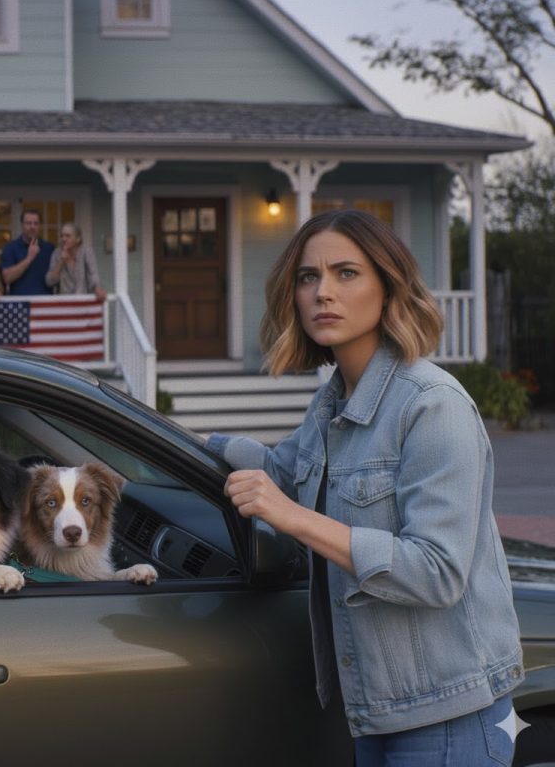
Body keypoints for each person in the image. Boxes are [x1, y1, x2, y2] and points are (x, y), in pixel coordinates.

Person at [208, 209, 524, 766]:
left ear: (388, 287)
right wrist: (153, 440)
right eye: (309, 277)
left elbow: (438, 571)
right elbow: (278, 470)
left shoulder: (432, 405)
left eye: (346, 273)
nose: (322, 292)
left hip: (448, 714)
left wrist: (293, 517)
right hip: (376, 710)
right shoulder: (333, 403)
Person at [45, 222, 107, 301]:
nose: (63, 239)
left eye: (68, 236)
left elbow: (93, 275)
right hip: (63, 303)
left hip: (83, 301)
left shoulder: (86, 252)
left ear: (78, 239)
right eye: (62, 236)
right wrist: (61, 261)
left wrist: (98, 288)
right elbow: (49, 282)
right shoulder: (57, 253)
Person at [0, 209, 55, 296]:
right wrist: (29, 258)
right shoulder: (10, 248)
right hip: (20, 304)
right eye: (28, 223)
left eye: (36, 223)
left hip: (44, 303)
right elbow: (7, 278)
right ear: (22, 225)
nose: (32, 226)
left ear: (40, 226)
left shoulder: (49, 248)